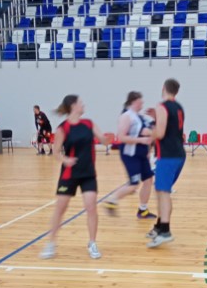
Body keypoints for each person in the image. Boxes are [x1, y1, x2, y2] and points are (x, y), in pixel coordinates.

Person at [39, 94, 107, 261]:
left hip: (88, 173)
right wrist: (66, 160)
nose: (83, 105)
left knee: (91, 207)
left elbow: (103, 139)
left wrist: (106, 139)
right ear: (73, 106)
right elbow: (56, 152)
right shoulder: (63, 128)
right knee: (60, 209)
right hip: (69, 174)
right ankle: (51, 243)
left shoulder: (89, 123)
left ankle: (92, 243)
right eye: (80, 103)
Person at [103, 91, 157, 220]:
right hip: (130, 154)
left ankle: (143, 210)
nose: (142, 103)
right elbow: (121, 137)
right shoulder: (126, 116)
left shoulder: (139, 117)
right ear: (134, 101)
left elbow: (147, 132)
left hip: (142, 154)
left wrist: (149, 148)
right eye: (140, 101)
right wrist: (141, 140)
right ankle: (111, 200)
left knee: (148, 180)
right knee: (134, 184)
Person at [147, 78, 186, 248]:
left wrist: (148, 131)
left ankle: (165, 231)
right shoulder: (179, 107)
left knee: (163, 193)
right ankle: (160, 227)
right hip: (178, 155)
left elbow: (160, 133)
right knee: (162, 192)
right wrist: (156, 117)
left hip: (168, 156)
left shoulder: (162, 106)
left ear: (163, 88)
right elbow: (171, 127)